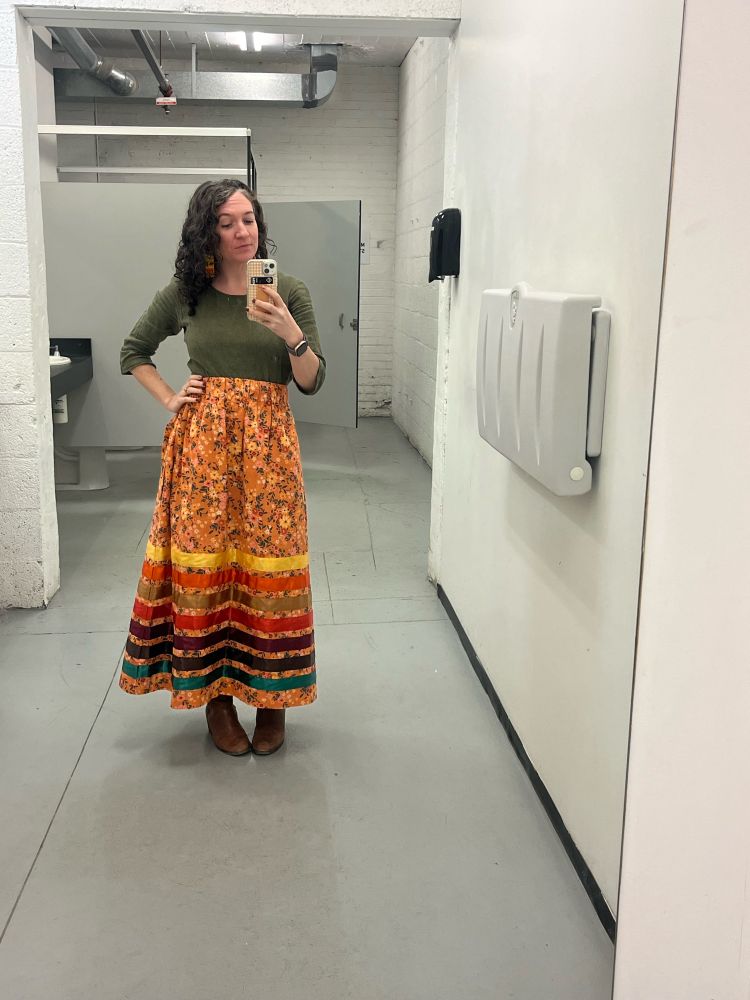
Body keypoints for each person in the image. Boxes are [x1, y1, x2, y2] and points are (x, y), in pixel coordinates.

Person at [118, 178, 325, 757]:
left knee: (271, 565)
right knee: (210, 567)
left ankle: (273, 699)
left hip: (270, 452)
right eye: (228, 222)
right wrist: (169, 398)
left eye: (249, 220)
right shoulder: (188, 293)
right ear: (207, 231)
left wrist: (291, 333)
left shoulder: (290, 291)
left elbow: (312, 382)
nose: (242, 232)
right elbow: (133, 350)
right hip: (204, 452)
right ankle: (216, 698)